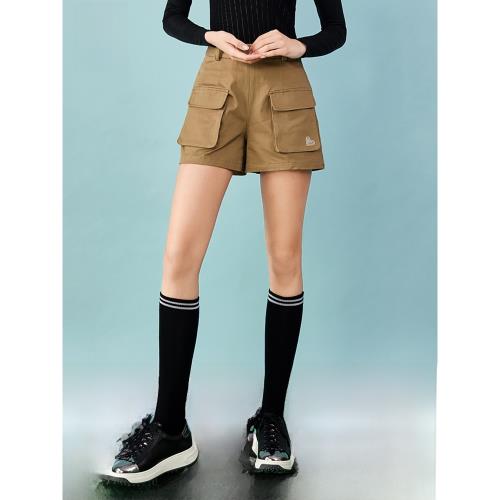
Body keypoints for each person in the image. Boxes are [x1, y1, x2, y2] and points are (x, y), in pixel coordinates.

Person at [102, 0, 347, 484]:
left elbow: (335, 29)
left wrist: (298, 45)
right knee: (179, 258)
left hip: (284, 86)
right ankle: (170, 428)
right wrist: (209, 36)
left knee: (285, 260)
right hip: (218, 83)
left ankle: (270, 420)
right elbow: (172, 17)